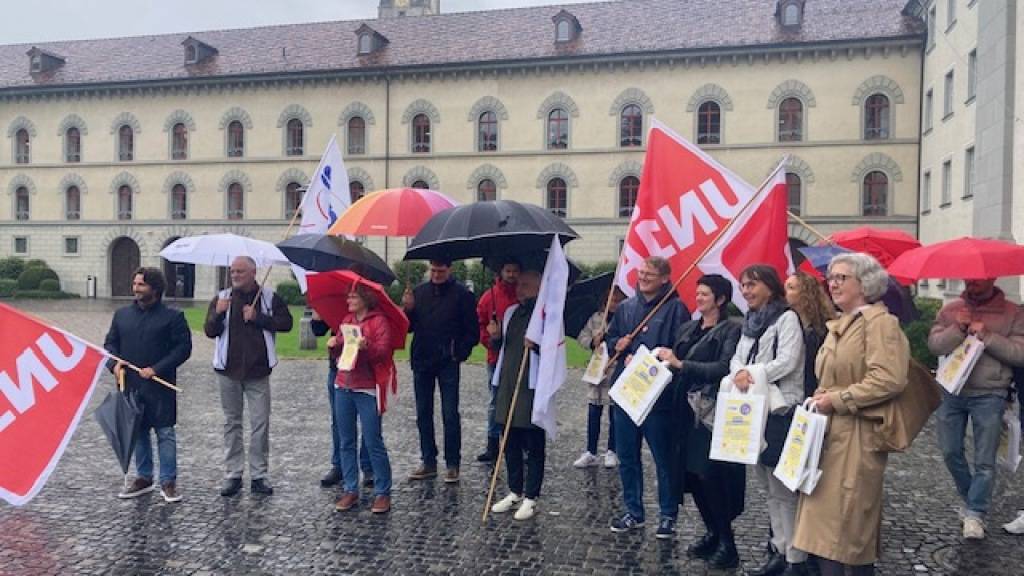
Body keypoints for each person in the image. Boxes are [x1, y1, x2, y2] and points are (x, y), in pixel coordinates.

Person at [793, 253, 910, 575]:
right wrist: (823, 396)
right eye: (830, 277)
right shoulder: (840, 323)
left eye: (842, 277)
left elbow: (889, 379)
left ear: (865, 284)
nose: (832, 283)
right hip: (828, 436)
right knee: (824, 534)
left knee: (848, 532)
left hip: (857, 437)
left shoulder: (880, 324)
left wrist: (838, 399)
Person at [656, 274, 743, 569]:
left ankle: (727, 543)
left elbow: (724, 367)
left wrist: (682, 364)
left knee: (710, 476)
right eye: (698, 292)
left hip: (710, 414)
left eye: (705, 294)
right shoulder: (689, 327)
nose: (699, 298)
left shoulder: (731, 329)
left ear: (720, 299)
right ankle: (713, 533)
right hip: (683, 411)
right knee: (692, 477)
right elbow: (674, 359)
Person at [927, 277, 1024, 539]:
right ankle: (972, 499)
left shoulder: (1013, 312)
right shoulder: (951, 309)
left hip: (989, 393)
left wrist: (988, 336)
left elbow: (1019, 353)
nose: (972, 284)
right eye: (968, 280)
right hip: (952, 390)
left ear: (992, 278)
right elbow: (934, 345)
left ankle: (975, 513)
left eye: (978, 281)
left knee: (985, 459)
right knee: (950, 452)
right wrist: (957, 328)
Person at [730, 264, 806, 576]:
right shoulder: (749, 320)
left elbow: (788, 360)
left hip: (780, 408)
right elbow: (738, 356)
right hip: (752, 408)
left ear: (770, 287)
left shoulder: (786, 318)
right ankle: (779, 546)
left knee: (783, 487)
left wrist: (753, 373)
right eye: (743, 285)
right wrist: (739, 372)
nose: (746, 290)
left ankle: (795, 557)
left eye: (752, 285)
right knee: (765, 484)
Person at [605, 256, 689, 539]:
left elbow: (682, 347)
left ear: (665, 278)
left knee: (663, 459)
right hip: (627, 394)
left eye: (649, 273)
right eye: (641, 272)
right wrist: (617, 344)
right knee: (627, 456)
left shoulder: (676, 309)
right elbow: (611, 340)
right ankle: (634, 511)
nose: (643, 277)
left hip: (658, 398)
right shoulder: (627, 306)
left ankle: (668, 515)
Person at [204, 256, 293, 497]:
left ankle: (259, 475)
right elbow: (209, 331)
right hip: (227, 371)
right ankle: (233, 474)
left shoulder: (268, 297)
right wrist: (218, 314)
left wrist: (259, 318)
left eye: (240, 271)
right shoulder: (222, 298)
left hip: (257, 371)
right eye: (232, 271)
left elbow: (286, 324)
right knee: (231, 423)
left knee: (260, 423)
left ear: (253, 273)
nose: (235, 275)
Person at [104, 267, 192, 502]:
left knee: (165, 433)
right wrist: (114, 364)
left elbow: (183, 349)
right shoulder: (122, 315)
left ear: (155, 288)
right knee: (139, 432)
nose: (135, 288)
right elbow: (109, 346)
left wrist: (157, 368)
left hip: (160, 385)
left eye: (141, 284)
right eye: (134, 284)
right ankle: (144, 477)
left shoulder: (173, 317)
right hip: (131, 385)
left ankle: (168, 481)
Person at [402, 259, 479, 483]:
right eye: (433, 270)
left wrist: (459, 352)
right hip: (423, 359)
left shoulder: (462, 295)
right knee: (423, 413)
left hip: (448, 360)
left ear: (449, 269)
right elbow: (407, 328)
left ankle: (453, 463)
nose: (436, 274)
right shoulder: (419, 292)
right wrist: (407, 310)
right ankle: (428, 461)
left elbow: (472, 331)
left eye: (441, 270)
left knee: (450, 414)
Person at [330, 283, 396, 514]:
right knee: (346, 440)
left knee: (372, 440)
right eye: (349, 296)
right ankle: (350, 488)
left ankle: (382, 491)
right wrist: (335, 345)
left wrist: (366, 347)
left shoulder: (379, 322)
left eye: (353, 296)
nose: (349, 300)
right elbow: (340, 349)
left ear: (365, 299)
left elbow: (383, 352)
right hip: (343, 385)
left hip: (367, 387)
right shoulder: (347, 319)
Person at [489, 269, 546, 520]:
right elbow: (503, 348)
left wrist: (537, 346)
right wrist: (495, 337)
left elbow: (554, 353)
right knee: (509, 439)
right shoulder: (511, 312)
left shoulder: (545, 315)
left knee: (533, 442)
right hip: (508, 382)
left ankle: (531, 496)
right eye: (519, 284)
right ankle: (514, 490)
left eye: (525, 285)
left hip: (531, 386)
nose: (519, 289)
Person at [311, 312, 373, 489]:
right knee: (339, 421)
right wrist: (317, 317)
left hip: (366, 370)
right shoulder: (336, 305)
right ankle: (339, 465)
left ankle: (368, 467)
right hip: (339, 368)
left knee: (369, 422)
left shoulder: (370, 309)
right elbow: (318, 331)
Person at [573, 286, 625, 468]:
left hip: (616, 368)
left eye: (619, 301)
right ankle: (590, 451)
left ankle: (612, 450)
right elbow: (582, 337)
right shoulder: (596, 318)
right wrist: (592, 341)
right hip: (597, 369)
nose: (615, 304)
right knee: (594, 410)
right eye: (612, 300)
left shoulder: (625, 318)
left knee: (614, 411)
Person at [475, 258, 520, 463]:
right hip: (496, 357)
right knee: (495, 401)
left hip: (519, 357)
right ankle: (493, 443)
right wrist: (490, 338)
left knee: (519, 400)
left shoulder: (524, 295)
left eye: (514, 271)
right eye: (508, 270)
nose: (511, 274)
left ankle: (520, 443)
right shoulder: (488, 297)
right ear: (501, 272)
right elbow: (480, 325)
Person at [785, 272, 836, 398]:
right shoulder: (784, 322)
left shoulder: (825, 327)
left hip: (815, 391)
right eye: (785, 287)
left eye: (791, 288)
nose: (785, 292)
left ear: (806, 293)